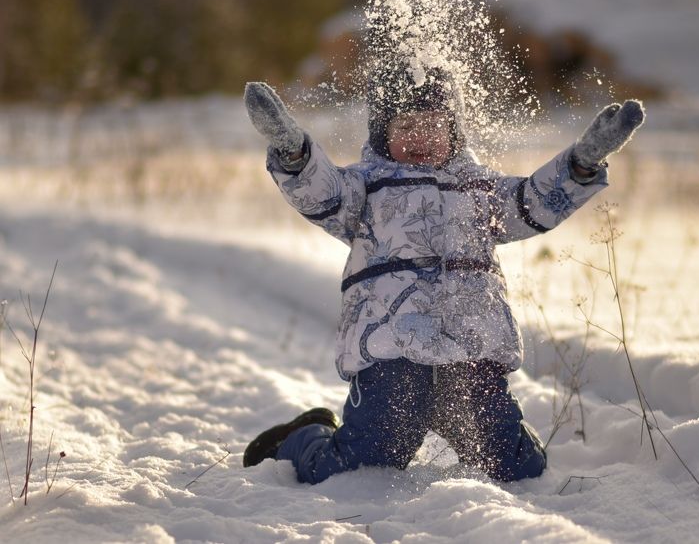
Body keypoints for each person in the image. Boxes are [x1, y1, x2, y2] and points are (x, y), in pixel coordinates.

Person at [241, 66, 644, 483]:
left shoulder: (480, 189)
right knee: (358, 467)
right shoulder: (365, 187)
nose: (420, 136)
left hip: (471, 353)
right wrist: (294, 153)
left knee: (517, 468)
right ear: (383, 132)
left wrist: (580, 163)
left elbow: (532, 204)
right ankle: (303, 436)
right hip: (392, 353)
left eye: (433, 125)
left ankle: (499, 433)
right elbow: (322, 195)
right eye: (406, 125)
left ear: (454, 131)